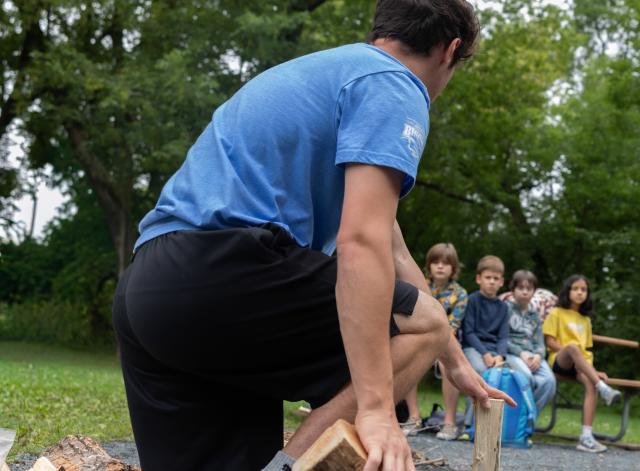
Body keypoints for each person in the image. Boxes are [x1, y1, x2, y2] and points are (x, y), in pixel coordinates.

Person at [110, 2, 515, 470]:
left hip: (149, 295)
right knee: (423, 320)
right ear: (451, 50)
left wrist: (452, 358)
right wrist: (378, 409)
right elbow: (362, 242)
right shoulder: (394, 84)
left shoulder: (328, 74)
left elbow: (391, 243)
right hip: (223, 275)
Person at [543, 274, 622, 453]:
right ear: (567, 291)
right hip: (560, 360)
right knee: (572, 347)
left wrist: (591, 371)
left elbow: (586, 352)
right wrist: (573, 354)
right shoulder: (556, 313)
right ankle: (603, 388)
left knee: (589, 382)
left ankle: (586, 437)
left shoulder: (585, 320)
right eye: (575, 289)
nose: (579, 292)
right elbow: (550, 342)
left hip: (581, 365)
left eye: (583, 289)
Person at [398, 242, 467, 435]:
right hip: (421, 340)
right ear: (428, 266)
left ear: (453, 268)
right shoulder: (417, 287)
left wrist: (438, 349)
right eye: (435, 262)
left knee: (448, 364)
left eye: (445, 263)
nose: (440, 266)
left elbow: (453, 325)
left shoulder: (460, 294)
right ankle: (414, 417)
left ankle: (449, 421)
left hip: (447, 342)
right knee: (407, 354)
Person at [437, 255, 509, 440]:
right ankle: (471, 425)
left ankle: (502, 426)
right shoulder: (472, 300)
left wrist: (500, 355)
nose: (492, 282)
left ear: (501, 282)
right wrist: (485, 353)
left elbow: (503, 336)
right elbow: (469, 333)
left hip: (495, 351)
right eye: (488, 277)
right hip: (473, 349)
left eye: (496, 279)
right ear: (479, 279)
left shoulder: (503, 307)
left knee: (511, 375)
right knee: (480, 371)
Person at [504, 270, 557, 411]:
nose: (525, 292)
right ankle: (519, 417)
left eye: (529, 289)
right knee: (526, 377)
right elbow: (502, 338)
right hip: (513, 354)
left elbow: (540, 342)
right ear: (512, 290)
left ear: (534, 291)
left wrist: (539, 356)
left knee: (549, 381)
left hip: (533, 355)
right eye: (521, 288)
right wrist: (521, 353)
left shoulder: (535, 315)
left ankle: (529, 418)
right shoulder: (505, 309)